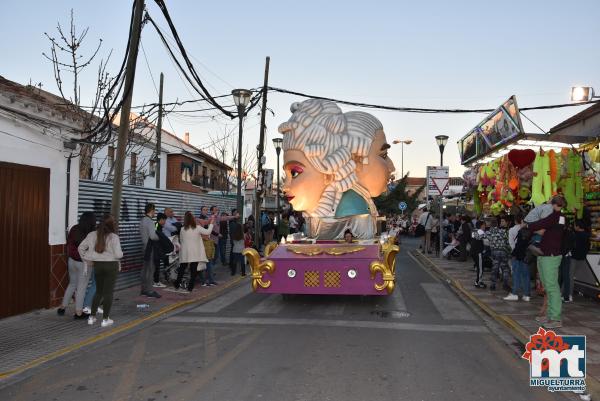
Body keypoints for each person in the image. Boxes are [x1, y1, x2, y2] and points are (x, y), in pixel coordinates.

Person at [527, 195, 567, 329]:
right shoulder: (558, 217)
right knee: (548, 286)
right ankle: (550, 315)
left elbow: (539, 225)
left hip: (550, 256)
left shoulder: (556, 216)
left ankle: (555, 318)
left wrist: (528, 224)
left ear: (552, 203)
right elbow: (542, 226)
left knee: (551, 287)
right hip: (546, 255)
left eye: (549, 201)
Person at [78, 215, 123, 328]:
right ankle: (105, 319)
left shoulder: (92, 234)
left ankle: (92, 317)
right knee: (108, 293)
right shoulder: (114, 237)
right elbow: (118, 255)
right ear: (112, 225)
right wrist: (121, 254)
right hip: (111, 266)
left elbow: (80, 248)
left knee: (98, 291)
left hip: (97, 265)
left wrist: (86, 260)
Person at [58, 211, 96, 319]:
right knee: (81, 287)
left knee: (72, 284)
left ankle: (62, 307)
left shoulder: (74, 228)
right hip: (84, 263)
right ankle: (78, 313)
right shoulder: (91, 232)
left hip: (72, 261)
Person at [172, 211, 214, 292]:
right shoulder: (197, 227)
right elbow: (208, 232)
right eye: (193, 217)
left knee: (182, 268)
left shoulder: (182, 229)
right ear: (192, 219)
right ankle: (190, 287)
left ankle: (177, 284)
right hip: (194, 253)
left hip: (185, 252)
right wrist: (211, 223)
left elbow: (181, 240)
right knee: (193, 270)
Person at [505, 223, 532, 301]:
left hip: (518, 257)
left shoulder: (522, 231)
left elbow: (518, 245)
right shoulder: (530, 231)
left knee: (516, 276)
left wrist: (513, 254)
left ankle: (514, 293)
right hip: (526, 258)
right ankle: (527, 295)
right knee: (526, 276)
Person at [139, 203, 161, 298]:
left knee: (145, 269)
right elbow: (152, 236)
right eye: (154, 210)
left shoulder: (143, 220)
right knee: (150, 269)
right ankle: (150, 291)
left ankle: (144, 289)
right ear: (152, 210)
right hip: (150, 247)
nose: (155, 212)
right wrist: (159, 237)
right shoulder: (150, 221)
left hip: (144, 247)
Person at [567, 220, 591, 302]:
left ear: (578, 226)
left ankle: (568, 295)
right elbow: (588, 248)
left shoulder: (575, 235)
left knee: (570, 277)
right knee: (572, 276)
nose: (574, 227)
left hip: (574, 258)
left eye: (574, 225)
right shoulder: (587, 236)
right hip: (582, 258)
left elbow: (571, 246)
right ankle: (565, 293)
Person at [488, 217, 511, 291]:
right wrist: (509, 251)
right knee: (505, 269)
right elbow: (507, 242)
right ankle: (505, 285)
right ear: (497, 224)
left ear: (490, 224)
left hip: (494, 251)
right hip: (503, 251)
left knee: (495, 268)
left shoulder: (489, 232)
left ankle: (493, 285)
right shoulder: (503, 231)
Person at [472, 221, 487, 289]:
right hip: (478, 252)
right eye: (484, 225)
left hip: (473, 252)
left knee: (479, 267)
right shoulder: (481, 232)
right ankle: (478, 282)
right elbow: (486, 241)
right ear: (481, 226)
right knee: (480, 268)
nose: (485, 226)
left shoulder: (474, 231)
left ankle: (479, 281)